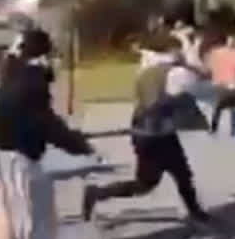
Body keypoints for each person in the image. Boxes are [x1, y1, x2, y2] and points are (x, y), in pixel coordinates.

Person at [0, 27, 95, 239]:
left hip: (11, 153)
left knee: (41, 210)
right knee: (28, 218)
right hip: (12, 156)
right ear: (44, 56)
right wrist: (78, 145)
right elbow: (47, 124)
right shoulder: (31, 83)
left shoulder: (18, 71)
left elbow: (14, 58)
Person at [81, 46, 215, 228]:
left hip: (147, 131)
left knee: (173, 176)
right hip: (155, 134)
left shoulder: (147, 72)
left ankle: (195, 212)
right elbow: (205, 78)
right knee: (155, 181)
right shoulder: (176, 74)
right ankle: (97, 193)